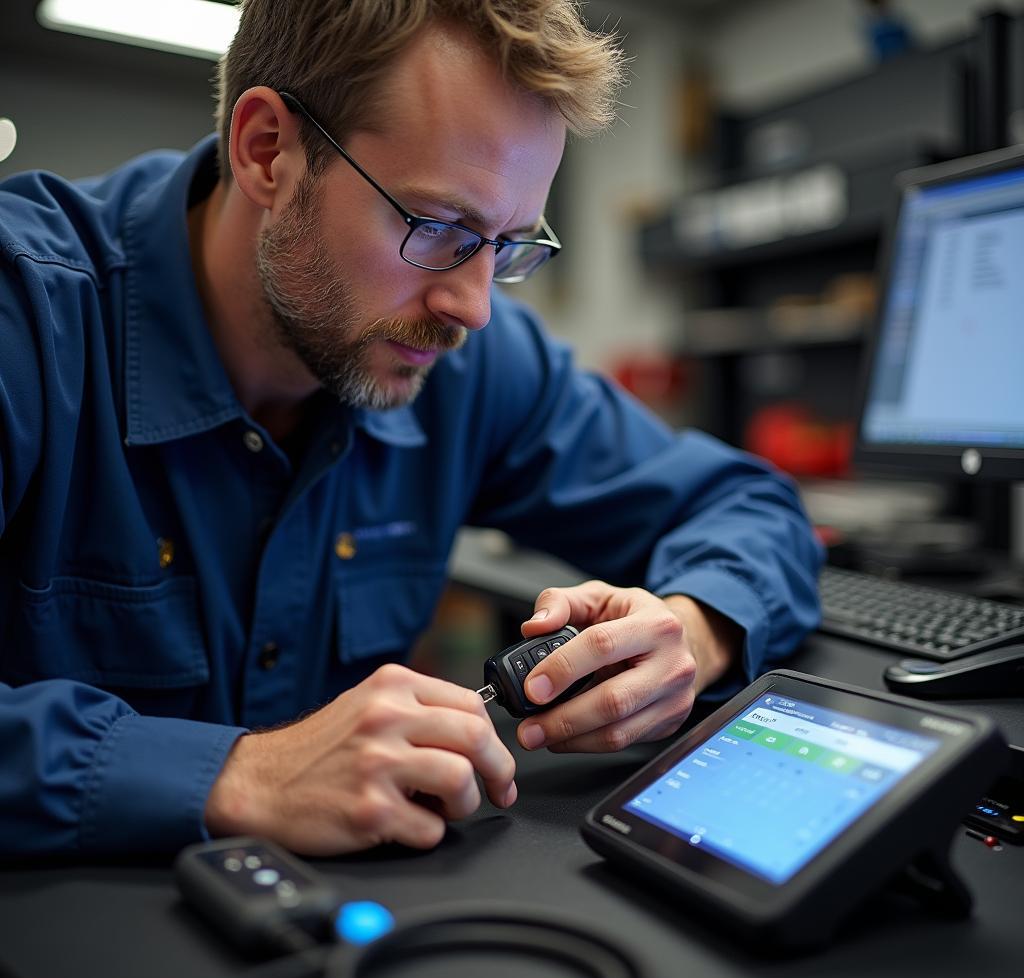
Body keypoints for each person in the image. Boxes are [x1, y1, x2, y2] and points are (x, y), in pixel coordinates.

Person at [0, 0, 822, 859]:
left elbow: (749, 504)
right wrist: (240, 774)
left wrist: (692, 631)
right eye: (438, 227)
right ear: (267, 151)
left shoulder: (467, 363)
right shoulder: (28, 321)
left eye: (507, 245)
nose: (471, 307)